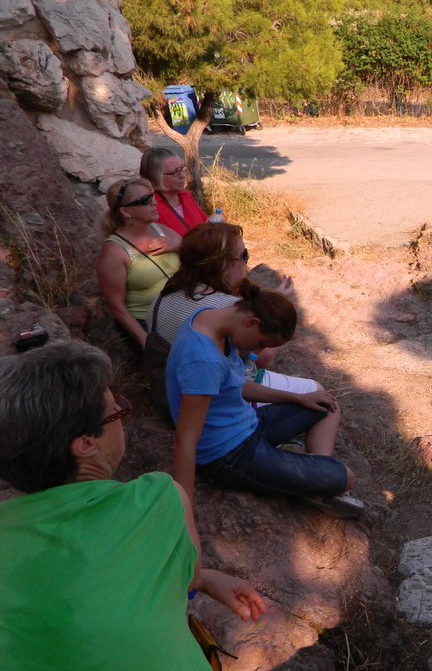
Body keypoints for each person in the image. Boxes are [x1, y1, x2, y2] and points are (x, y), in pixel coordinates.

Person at [0, 340, 266, 671]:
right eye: (116, 412)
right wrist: (199, 577)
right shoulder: (159, 500)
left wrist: (207, 579)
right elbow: (175, 584)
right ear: (85, 444)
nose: (123, 417)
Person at [168, 285, 365, 519]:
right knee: (346, 477)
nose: (258, 351)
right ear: (251, 322)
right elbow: (186, 439)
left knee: (326, 405)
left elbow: (237, 386)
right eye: (261, 342)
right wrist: (185, 513)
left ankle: (311, 479)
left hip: (249, 426)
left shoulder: (212, 319)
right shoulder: (203, 359)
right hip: (229, 456)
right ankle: (313, 481)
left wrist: (299, 398)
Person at [150, 222, 315, 403]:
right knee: (316, 391)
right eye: (243, 256)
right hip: (216, 400)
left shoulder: (165, 293)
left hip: (172, 392)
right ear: (222, 265)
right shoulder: (230, 309)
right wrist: (275, 311)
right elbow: (262, 358)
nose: (247, 262)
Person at [96, 176, 181, 347]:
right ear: (126, 211)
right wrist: (145, 341)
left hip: (181, 311)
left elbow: (198, 254)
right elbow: (117, 307)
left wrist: (179, 244)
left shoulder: (161, 230)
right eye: (146, 200)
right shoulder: (114, 251)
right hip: (149, 322)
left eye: (153, 196)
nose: (154, 203)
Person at [142, 146, 208, 235]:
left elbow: (205, 225)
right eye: (175, 172)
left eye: (182, 169)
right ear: (156, 177)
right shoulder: (151, 206)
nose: (182, 176)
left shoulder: (185, 195)